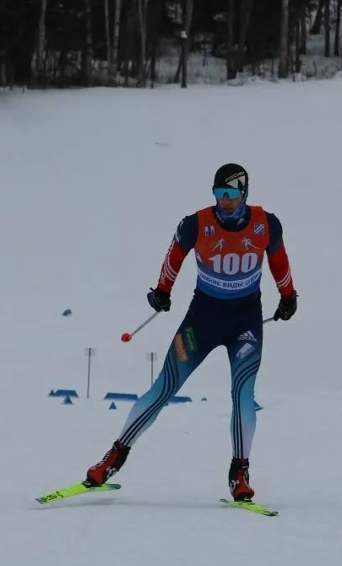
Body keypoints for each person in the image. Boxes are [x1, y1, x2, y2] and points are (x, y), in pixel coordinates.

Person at [84, 163, 298, 501]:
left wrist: (288, 296)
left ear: (244, 193)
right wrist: (162, 291)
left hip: (245, 324)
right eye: (219, 194)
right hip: (201, 322)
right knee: (165, 385)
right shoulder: (196, 224)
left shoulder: (265, 224)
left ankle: (239, 472)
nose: (225, 201)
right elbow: (174, 257)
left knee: (243, 393)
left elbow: (279, 261)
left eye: (231, 194)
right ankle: (115, 456)